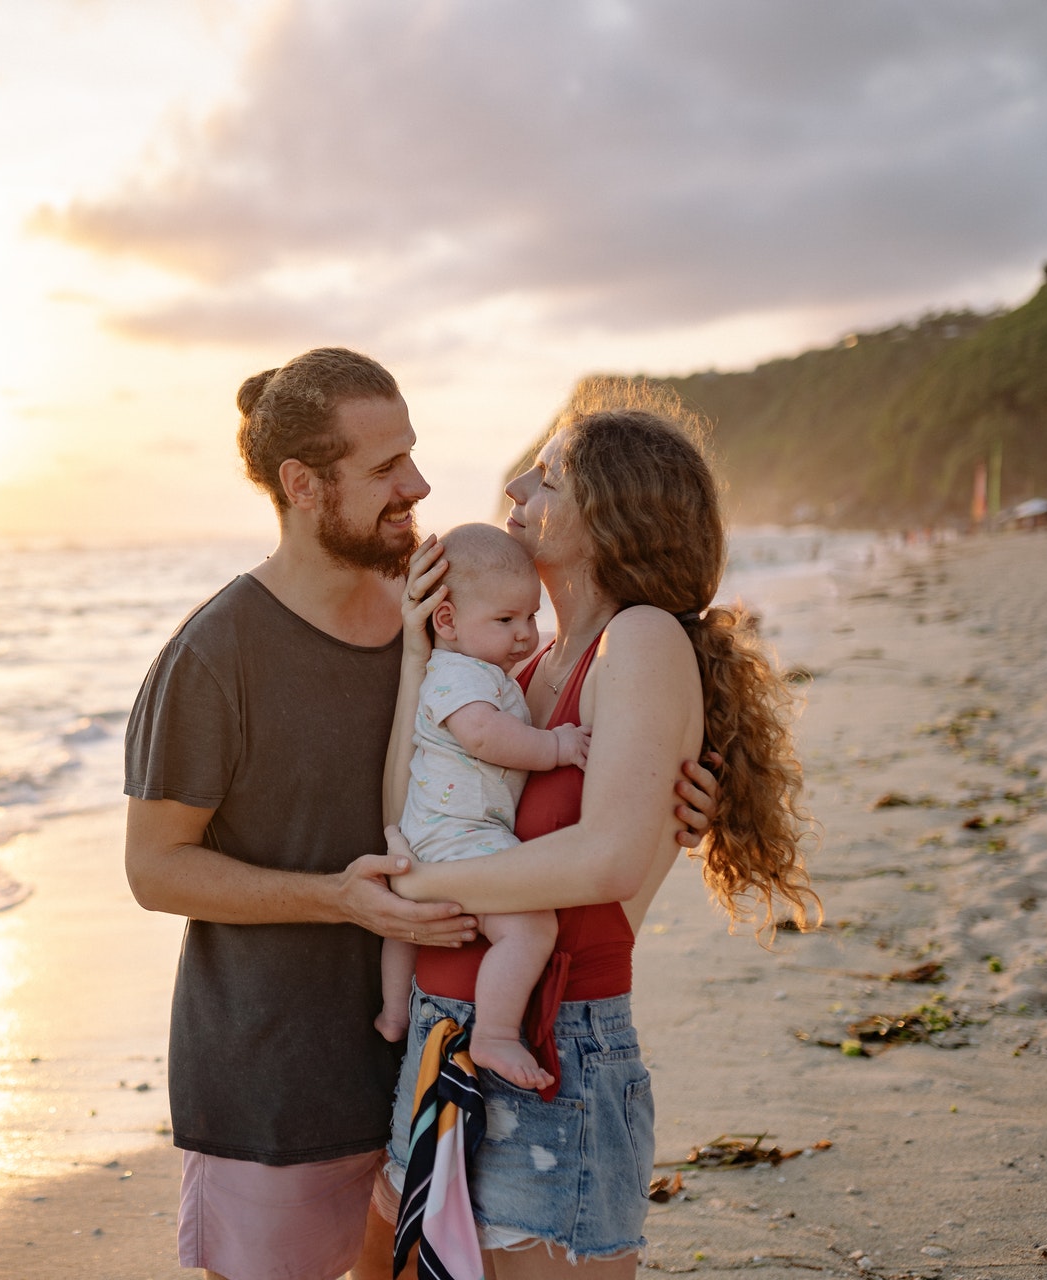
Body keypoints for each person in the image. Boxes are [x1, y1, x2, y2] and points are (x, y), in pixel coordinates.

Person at [123, 350, 721, 1280]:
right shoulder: (215, 655)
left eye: (415, 454)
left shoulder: (463, 619)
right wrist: (348, 898)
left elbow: (571, 814)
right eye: (386, 468)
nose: (423, 485)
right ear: (303, 486)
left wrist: (669, 814)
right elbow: (155, 869)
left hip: (436, 1050)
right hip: (285, 1073)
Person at [372, 382, 819, 1279]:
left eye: (547, 479)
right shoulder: (522, 666)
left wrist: (408, 889)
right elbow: (408, 806)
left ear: (609, 514)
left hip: (553, 1047)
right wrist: (419, 658)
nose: (516, 493)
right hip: (443, 1031)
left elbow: (608, 858)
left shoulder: (642, 640)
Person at [375, 523, 586, 1093]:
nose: (524, 634)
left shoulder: (480, 672)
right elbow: (486, 738)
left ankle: (395, 1012)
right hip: (461, 835)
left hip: (433, 834)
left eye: (530, 617)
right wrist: (557, 746)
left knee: (404, 927)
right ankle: (494, 1032)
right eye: (505, 620)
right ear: (445, 622)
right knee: (531, 926)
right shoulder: (457, 676)